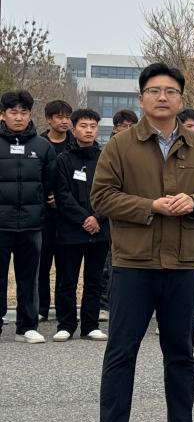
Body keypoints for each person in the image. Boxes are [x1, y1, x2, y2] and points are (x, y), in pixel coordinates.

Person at [92, 63, 194, 422]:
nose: (162, 97)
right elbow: (101, 197)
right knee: (121, 352)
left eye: (170, 91)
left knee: (181, 353)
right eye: (154, 91)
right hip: (134, 264)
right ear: (141, 99)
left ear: (181, 99)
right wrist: (150, 206)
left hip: (183, 265)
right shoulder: (120, 146)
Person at [0, 89, 57, 344]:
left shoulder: (42, 146)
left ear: (30, 115)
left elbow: (49, 181)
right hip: (1, 224)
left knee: (29, 278)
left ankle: (26, 327)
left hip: (32, 224)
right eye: (13, 112)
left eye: (23, 112)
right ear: (3, 115)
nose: (18, 117)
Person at [53, 108, 109, 341]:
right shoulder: (63, 160)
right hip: (70, 230)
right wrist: (84, 218)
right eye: (83, 126)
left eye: (93, 126)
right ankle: (66, 324)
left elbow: (112, 192)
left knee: (94, 280)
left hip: (100, 229)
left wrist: (98, 217)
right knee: (67, 280)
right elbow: (62, 194)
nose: (88, 130)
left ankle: (90, 324)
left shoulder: (106, 158)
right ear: (74, 129)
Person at [99, 109, 138, 320]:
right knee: (109, 264)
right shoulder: (108, 150)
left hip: (134, 213)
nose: (128, 130)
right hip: (109, 214)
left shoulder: (141, 150)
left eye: (132, 126)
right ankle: (105, 304)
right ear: (115, 128)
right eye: (124, 126)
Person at [38, 99, 74, 323]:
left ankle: (64, 310)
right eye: (59, 117)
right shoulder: (38, 144)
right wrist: (47, 196)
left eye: (68, 117)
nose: (64, 121)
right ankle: (41, 307)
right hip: (43, 216)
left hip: (68, 216)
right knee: (42, 264)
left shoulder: (74, 145)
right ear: (49, 119)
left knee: (65, 266)